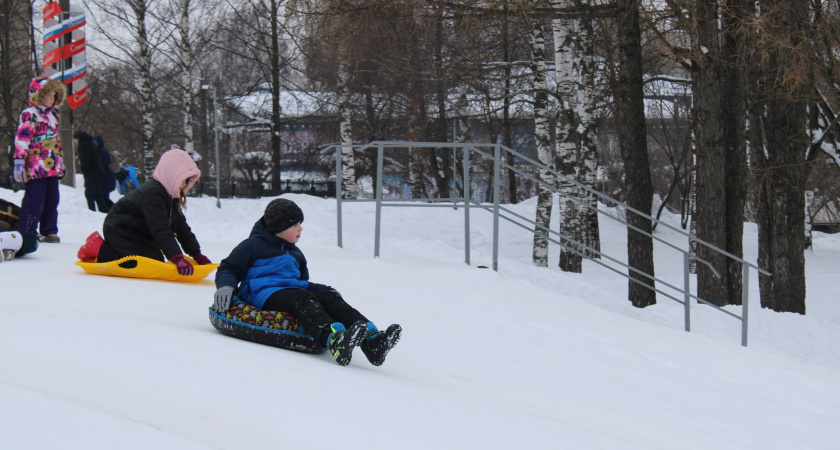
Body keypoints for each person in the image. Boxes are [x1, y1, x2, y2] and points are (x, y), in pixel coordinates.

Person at [213, 198, 402, 366]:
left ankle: (371, 341)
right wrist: (226, 285)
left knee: (329, 294)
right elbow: (229, 267)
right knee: (301, 298)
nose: (300, 228)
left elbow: (302, 278)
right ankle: (333, 339)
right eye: (295, 224)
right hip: (263, 293)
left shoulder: (295, 252)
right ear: (279, 226)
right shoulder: (252, 245)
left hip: (292, 289)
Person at [76, 149, 212, 276]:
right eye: (183, 180)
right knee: (139, 263)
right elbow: (160, 228)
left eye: (187, 182)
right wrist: (176, 257)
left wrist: (196, 254)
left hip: (138, 231)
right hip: (120, 229)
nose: (184, 185)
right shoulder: (153, 194)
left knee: (156, 260)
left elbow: (181, 227)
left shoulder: (170, 197)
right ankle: (99, 248)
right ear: (172, 175)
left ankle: (117, 248)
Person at [13, 76, 67, 243]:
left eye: (54, 96)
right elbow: (23, 138)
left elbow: (56, 140)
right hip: (36, 166)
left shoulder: (53, 116)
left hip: (52, 165)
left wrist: (61, 160)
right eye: (48, 95)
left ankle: (49, 230)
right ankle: (28, 230)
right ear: (38, 95)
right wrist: (19, 160)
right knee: (35, 199)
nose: (52, 100)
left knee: (52, 199)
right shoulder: (30, 114)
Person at [74, 130, 109, 213]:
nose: (75, 142)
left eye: (75, 140)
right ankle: (106, 211)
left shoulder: (83, 146)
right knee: (97, 195)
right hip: (99, 173)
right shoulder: (91, 143)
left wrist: (84, 170)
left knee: (89, 194)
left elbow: (85, 161)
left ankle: (92, 212)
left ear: (78, 139)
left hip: (92, 174)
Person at [93, 135, 116, 211]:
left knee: (101, 195)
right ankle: (110, 210)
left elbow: (104, 163)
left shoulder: (101, 151)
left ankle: (108, 210)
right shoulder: (103, 150)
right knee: (104, 196)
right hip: (108, 178)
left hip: (106, 178)